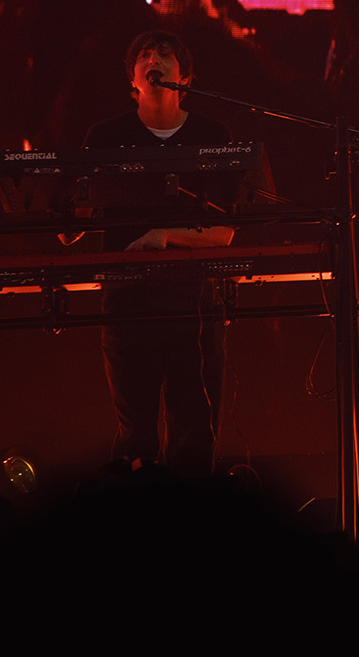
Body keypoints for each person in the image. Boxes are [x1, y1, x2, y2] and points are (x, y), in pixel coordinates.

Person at [87, 30, 237, 475]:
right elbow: (75, 219)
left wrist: (165, 236)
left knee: (194, 427)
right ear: (132, 79)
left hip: (193, 300)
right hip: (126, 300)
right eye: (145, 56)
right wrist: (42, 202)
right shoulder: (105, 135)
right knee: (135, 435)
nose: (155, 59)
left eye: (166, 55)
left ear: (184, 77)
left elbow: (224, 232)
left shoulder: (212, 134)